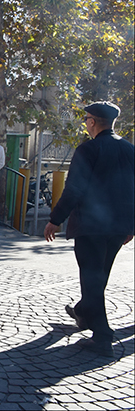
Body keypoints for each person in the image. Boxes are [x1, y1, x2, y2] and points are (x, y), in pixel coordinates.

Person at [44, 102, 134, 357]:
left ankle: (103, 337)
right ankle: (83, 312)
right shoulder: (130, 149)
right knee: (99, 277)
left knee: (92, 279)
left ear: (93, 122)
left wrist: (55, 219)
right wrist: (130, 225)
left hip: (92, 226)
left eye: (86, 119)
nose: (85, 123)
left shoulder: (88, 149)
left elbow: (74, 188)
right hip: (117, 227)